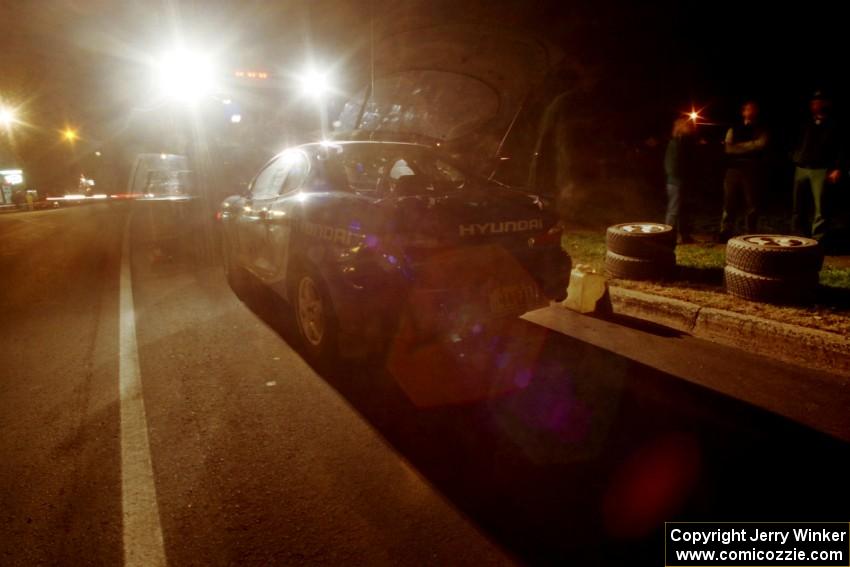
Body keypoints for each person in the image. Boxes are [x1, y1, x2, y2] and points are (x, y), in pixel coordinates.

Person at [791, 91, 845, 241]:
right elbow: (795, 141)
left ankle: (818, 239)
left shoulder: (835, 124)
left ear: (827, 104)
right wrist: (795, 156)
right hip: (802, 167)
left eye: (819, 102)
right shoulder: (806, 123)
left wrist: (837, 168)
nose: (815, 105)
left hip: (821, 169)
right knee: (798, 205)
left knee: (821, 207)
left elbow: (841, 148)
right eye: (814, 102)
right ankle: (799, 236)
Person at [720, 101, 768, 240]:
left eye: (753, 109)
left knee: (752, 203)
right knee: (729, 202)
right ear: (743, 112)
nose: (750, 112)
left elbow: (761, 144)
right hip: (733, 169)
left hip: (752, 168)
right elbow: (728, 148)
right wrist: (750, 145)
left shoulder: (762, 128)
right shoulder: (734, 128)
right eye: (748, 109)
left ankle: (750, 232)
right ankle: (725, 232)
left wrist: (738, 147)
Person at [664, 117, 696, 243]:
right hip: (676, 182)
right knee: (674, 210)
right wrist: (680, 176)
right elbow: (671, 165)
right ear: (680, 128)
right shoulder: (675, 143)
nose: (690, 127)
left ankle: (685, 236)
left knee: (684, 210)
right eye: (687, 125)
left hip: (682, 181)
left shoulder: (684, 143)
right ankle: (668, 236)